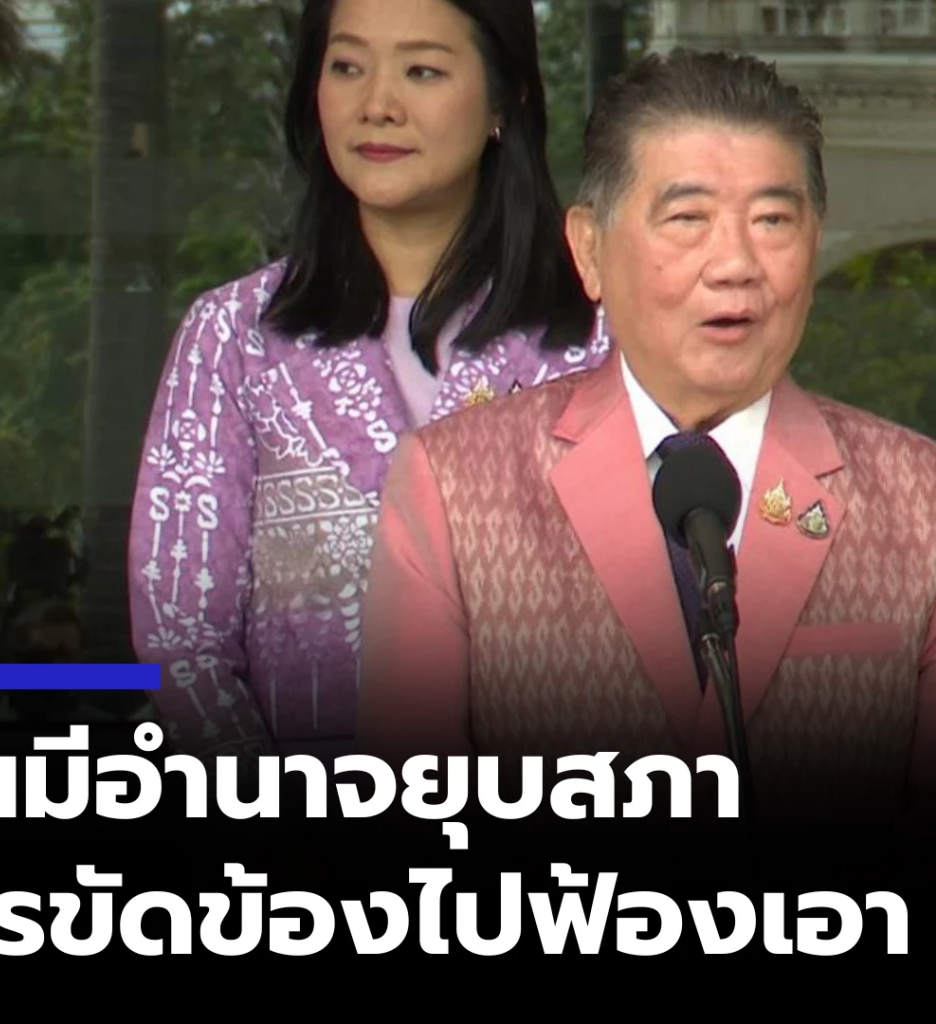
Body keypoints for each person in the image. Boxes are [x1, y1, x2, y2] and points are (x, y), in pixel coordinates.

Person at [357, 50, 936, 828]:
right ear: (589, 250)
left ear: (814, 243)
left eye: (773, 221)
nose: (736, 265)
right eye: (688, 219)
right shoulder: (453, 490)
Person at [128, 0, 607, 760]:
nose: (377, 104)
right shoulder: (236, 337)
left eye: (422, 71)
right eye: (347, 66)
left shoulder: (599, 341)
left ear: (505, 101)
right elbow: (183, 643)